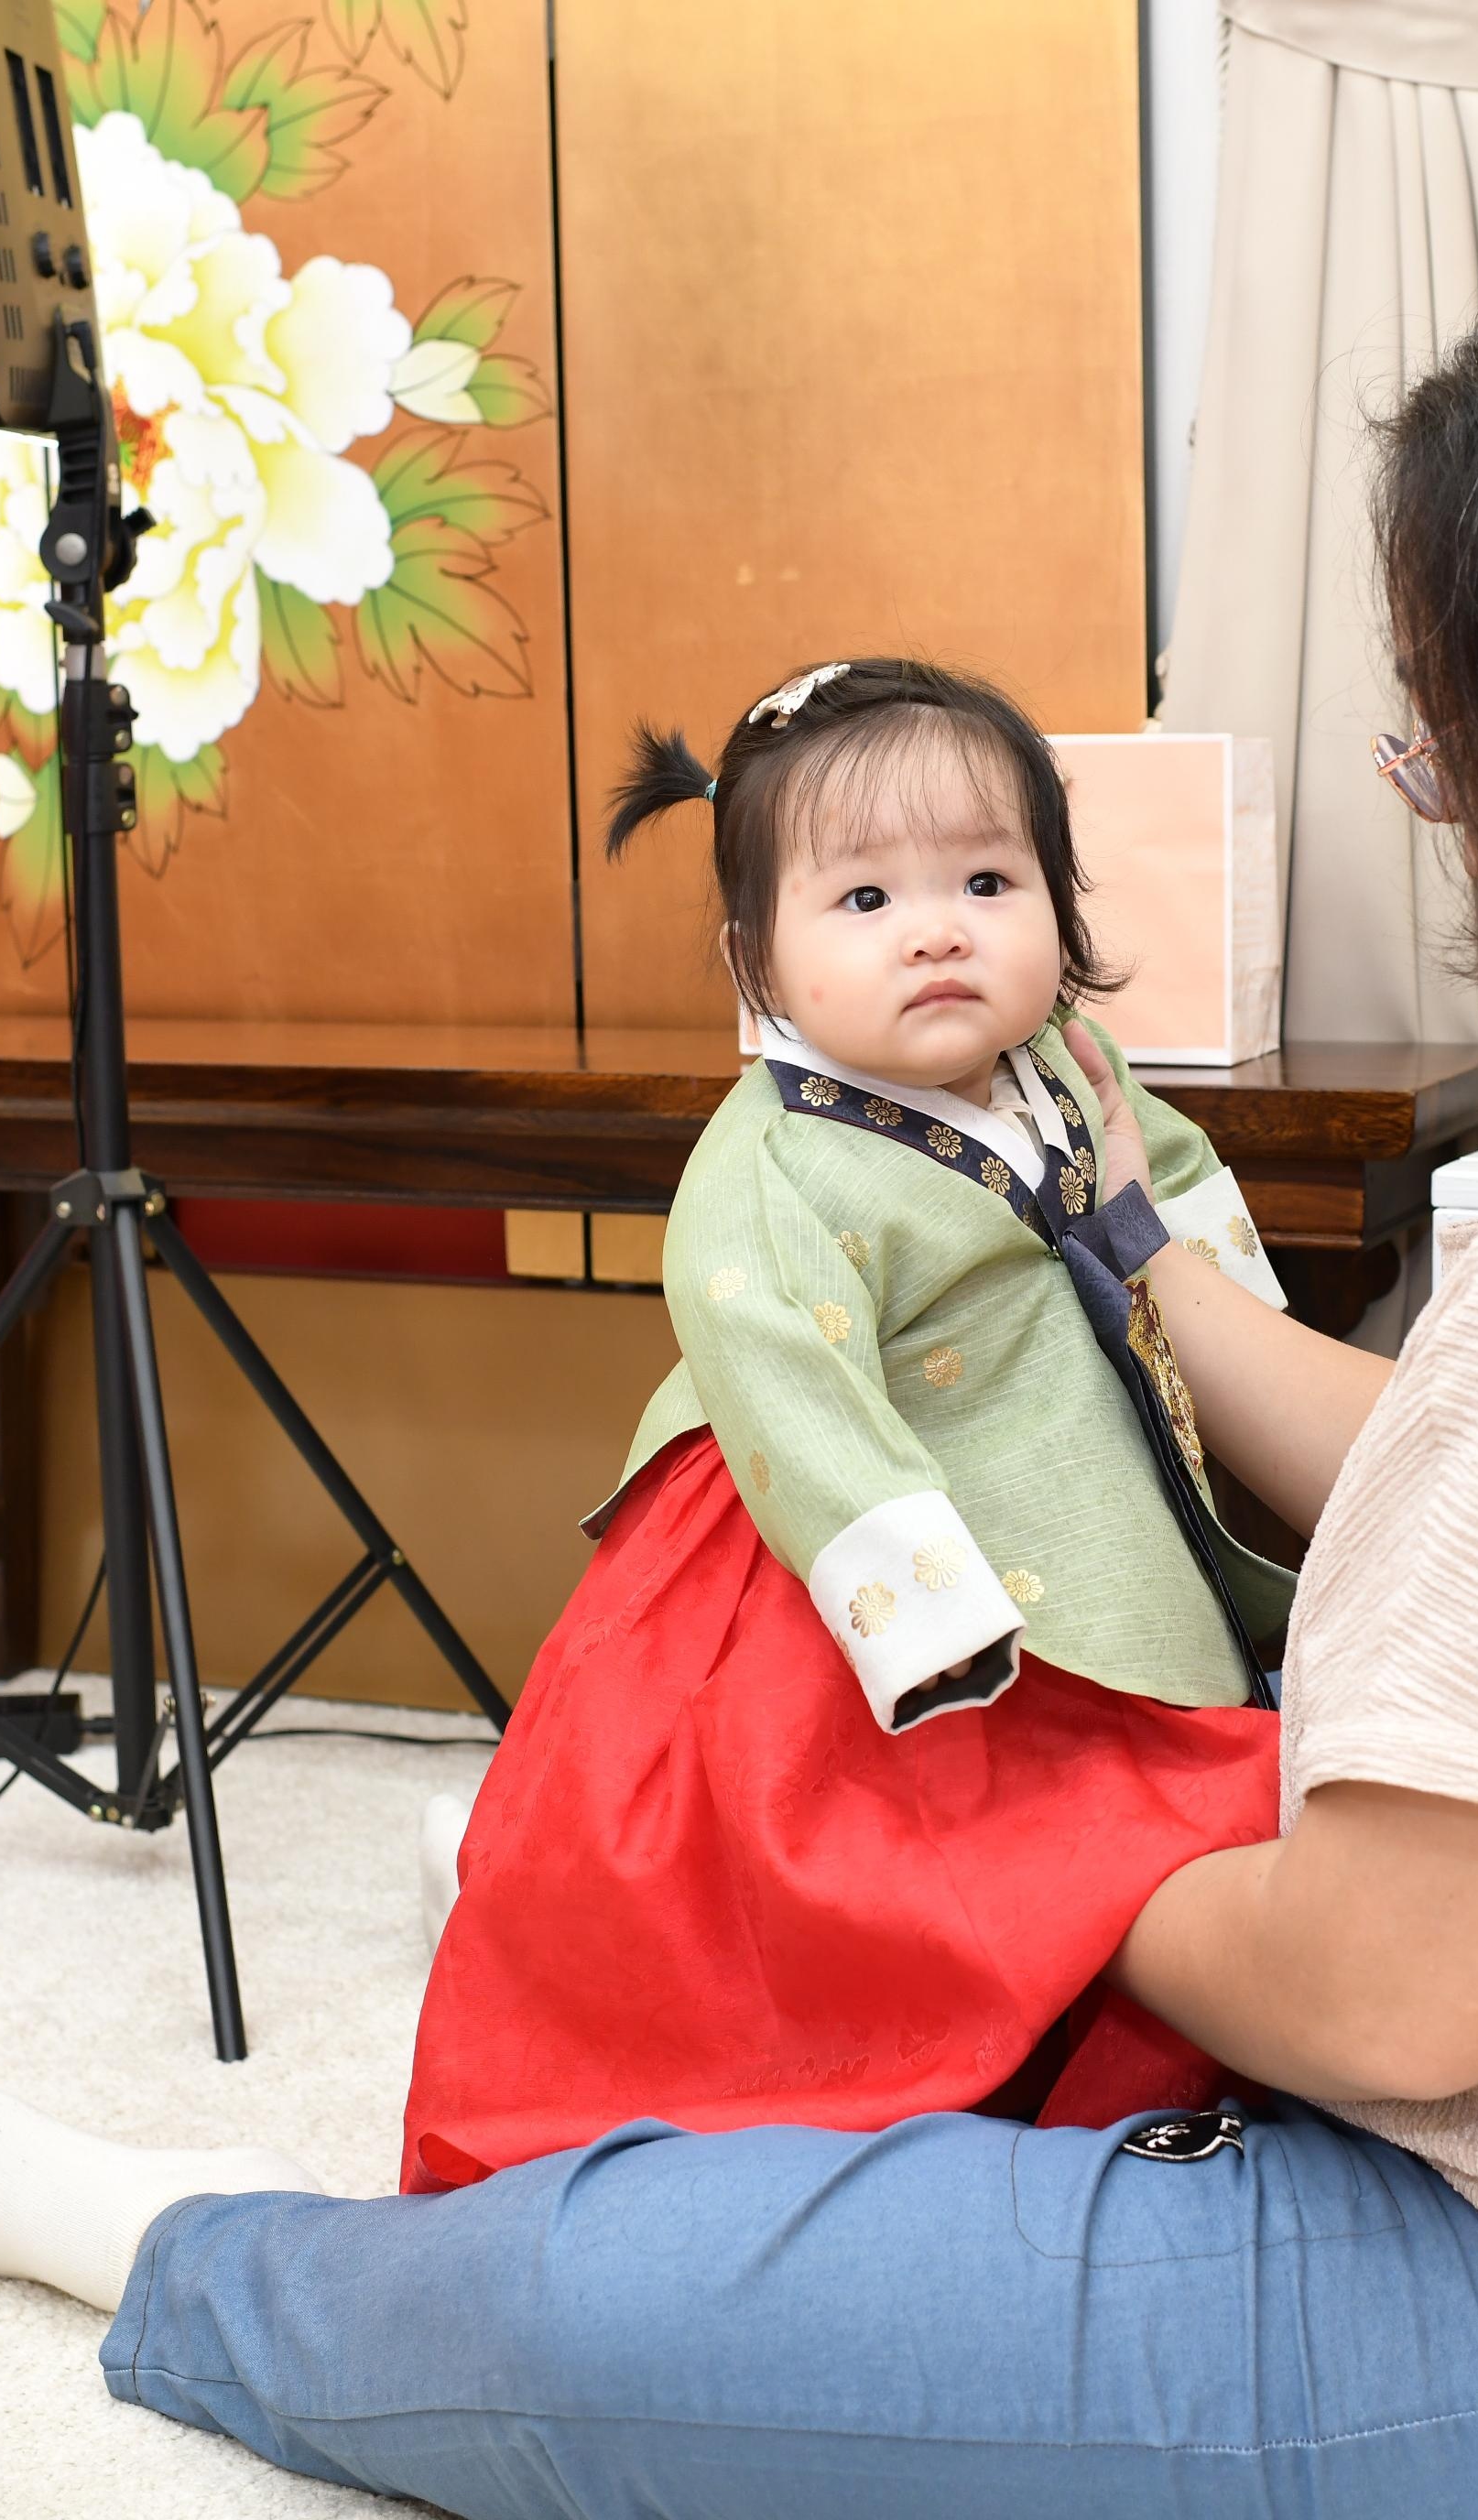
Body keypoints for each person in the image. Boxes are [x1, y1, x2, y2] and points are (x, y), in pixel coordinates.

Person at [0, 251, 1478, 2520]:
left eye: (1443, 737)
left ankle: (168, 2252)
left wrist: (949, 1841)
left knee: (612, 2314)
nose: (1445, 801)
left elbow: (1396, 1998)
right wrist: (1134, 1264)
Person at [399, 656, 1297, 2191]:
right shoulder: (771, 1167)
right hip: (843, 1562)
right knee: (872, 1870)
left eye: (987, 879)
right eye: (864, 901)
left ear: (1062, 910)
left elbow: (1179, 1193)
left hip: (1072, 1487)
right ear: (759, 961)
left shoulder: (1070, 1070)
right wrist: (926, 1620)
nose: (938, 926)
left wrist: (1241, 1339)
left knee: (1175, 1784)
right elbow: (787, 1389)